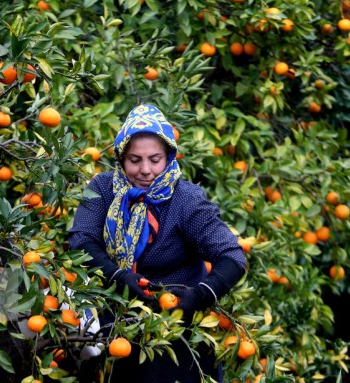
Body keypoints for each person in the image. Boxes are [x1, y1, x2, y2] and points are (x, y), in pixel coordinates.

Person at [68, 104, 247, 382]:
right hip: (117, 329)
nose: (145, 170)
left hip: (174, 332)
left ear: (169, 156)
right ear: (121, 157)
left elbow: (232, 257)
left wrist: (197, 297)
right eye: (134, 160)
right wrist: (117, 276)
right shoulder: (103, 188)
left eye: (155, 159)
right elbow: (81, 239)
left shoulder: (186, 200)